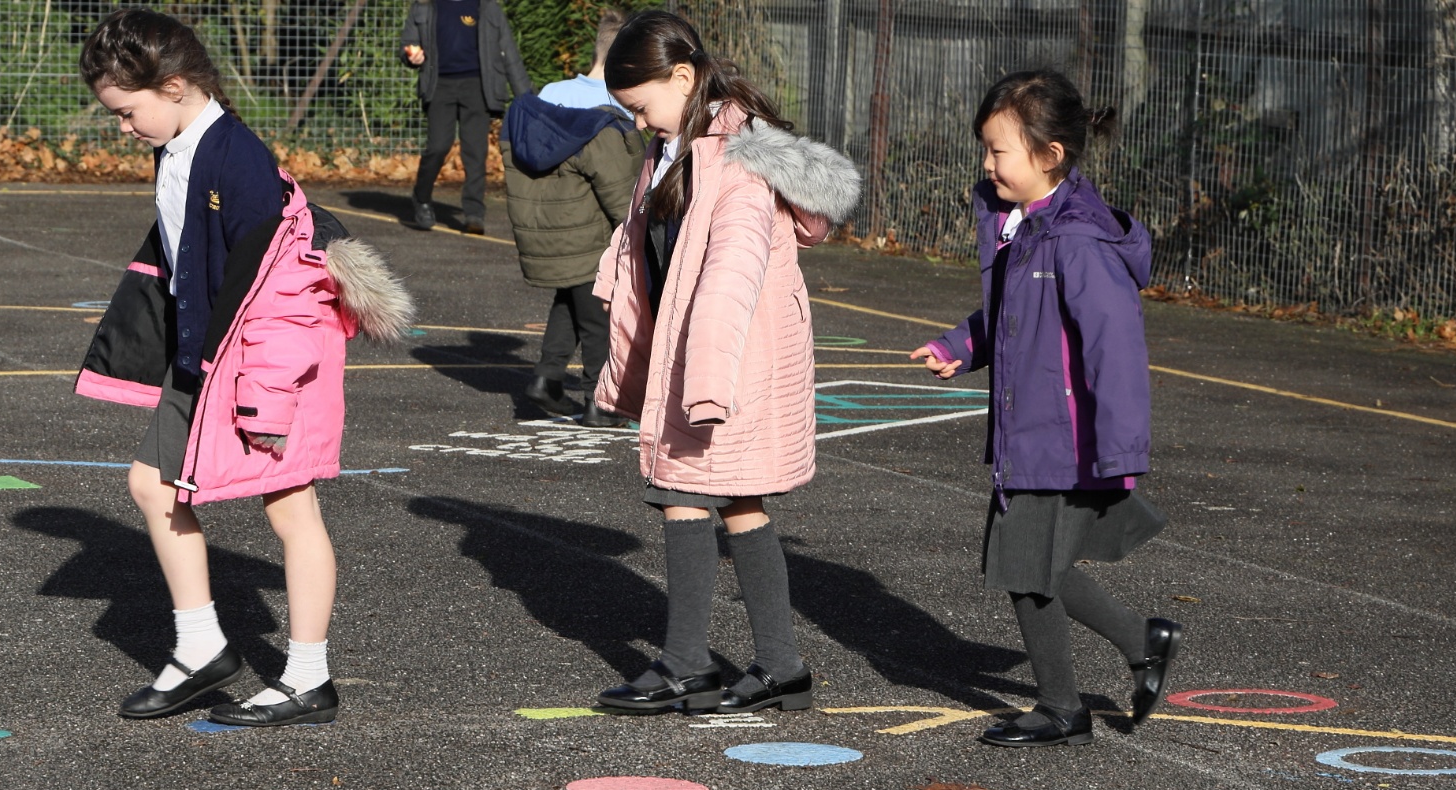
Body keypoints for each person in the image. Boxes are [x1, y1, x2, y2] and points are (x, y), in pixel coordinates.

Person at [74, 9, 415, 728]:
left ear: (173, 87)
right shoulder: (177, 147)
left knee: (291, 509)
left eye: (127, 112)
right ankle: (202, 648)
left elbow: (286, 294)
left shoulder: (239, 163)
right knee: (153, 485)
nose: (123, 128)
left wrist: (266, 399)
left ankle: (309, 678)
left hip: (267, 368)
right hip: (209, 356)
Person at [588, 11, 861, 716]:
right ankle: (780, 666)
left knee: (681, 486)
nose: (639, 122)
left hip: (726, 358)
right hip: (702, 350)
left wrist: (705, 383)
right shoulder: (676, 146)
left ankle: (688, 664)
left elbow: (730, 275)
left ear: (682, 78)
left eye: (641, 105)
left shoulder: (734, 158)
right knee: (736, 499)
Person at [909, 69, 1183, 748]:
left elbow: (1116, 352)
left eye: (999, 150)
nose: (987, 163)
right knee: (1029, 566)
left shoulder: (1076, 241)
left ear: (1049, 155)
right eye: (986, 148)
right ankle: (1139, 644)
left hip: (1060, 437)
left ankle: (1065, 705)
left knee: (1025, 567)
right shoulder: (1025, 229)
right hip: (1028, 429)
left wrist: (1120, 450)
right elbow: (1010, 317)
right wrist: (959, 345)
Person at [502, 10, 641, 427]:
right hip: (590, 232)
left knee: (571, 299)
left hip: (549, 228)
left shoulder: (551, 93)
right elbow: (618, 186)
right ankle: (600, 401)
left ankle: (546, 378)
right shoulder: (619, 107)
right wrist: (637, 230)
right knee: (599, 314)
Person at [400, 0, 533, 234]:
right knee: (438, 146)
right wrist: (411, 55)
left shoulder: (487, 7)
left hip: (477, 87)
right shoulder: (424, 6)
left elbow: (509, 51)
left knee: (475, 152)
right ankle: (421, 198)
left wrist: (528, 99)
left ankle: (474, 213)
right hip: (439, 86)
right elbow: (407, 44)